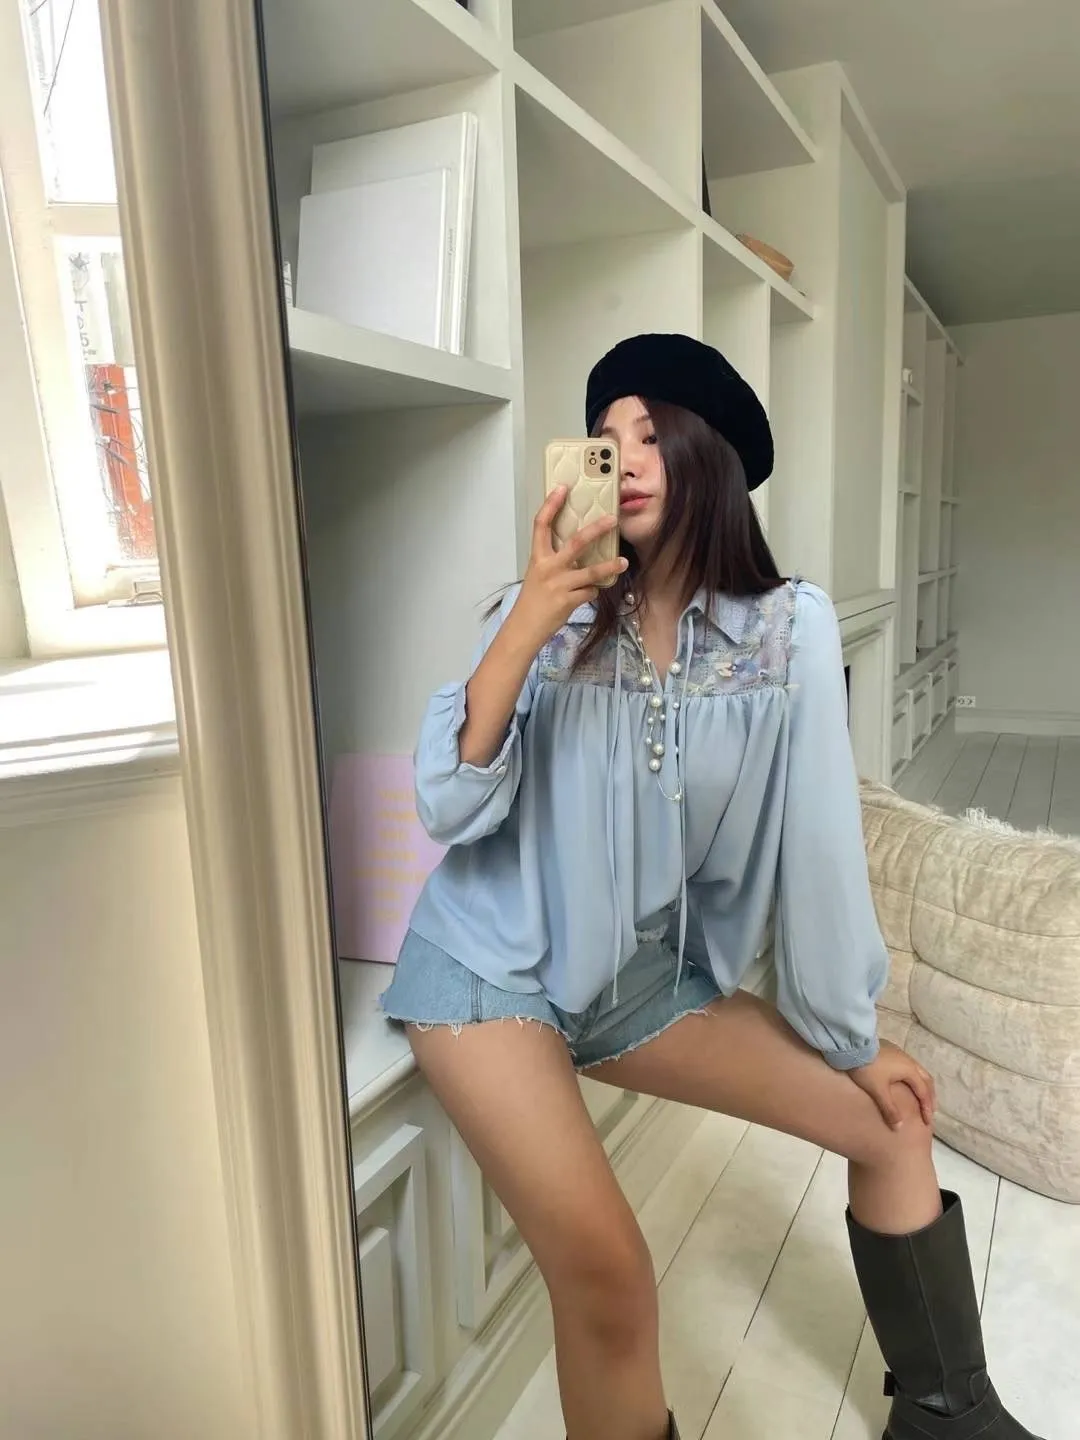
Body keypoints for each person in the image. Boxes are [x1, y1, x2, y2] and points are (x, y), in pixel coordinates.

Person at [380, 333, 1041, 1440]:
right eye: (604, 439)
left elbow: (818, 847)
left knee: (892, 1125)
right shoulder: (540, 616)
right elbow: (448, 806)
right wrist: (533, 617)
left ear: (710, 453)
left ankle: (949, 1423)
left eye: (651, 432)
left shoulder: (787, 632)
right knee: (612, 1276)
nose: (624, 457)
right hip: (488, 973)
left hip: (630, 978)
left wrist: (849, 1039)